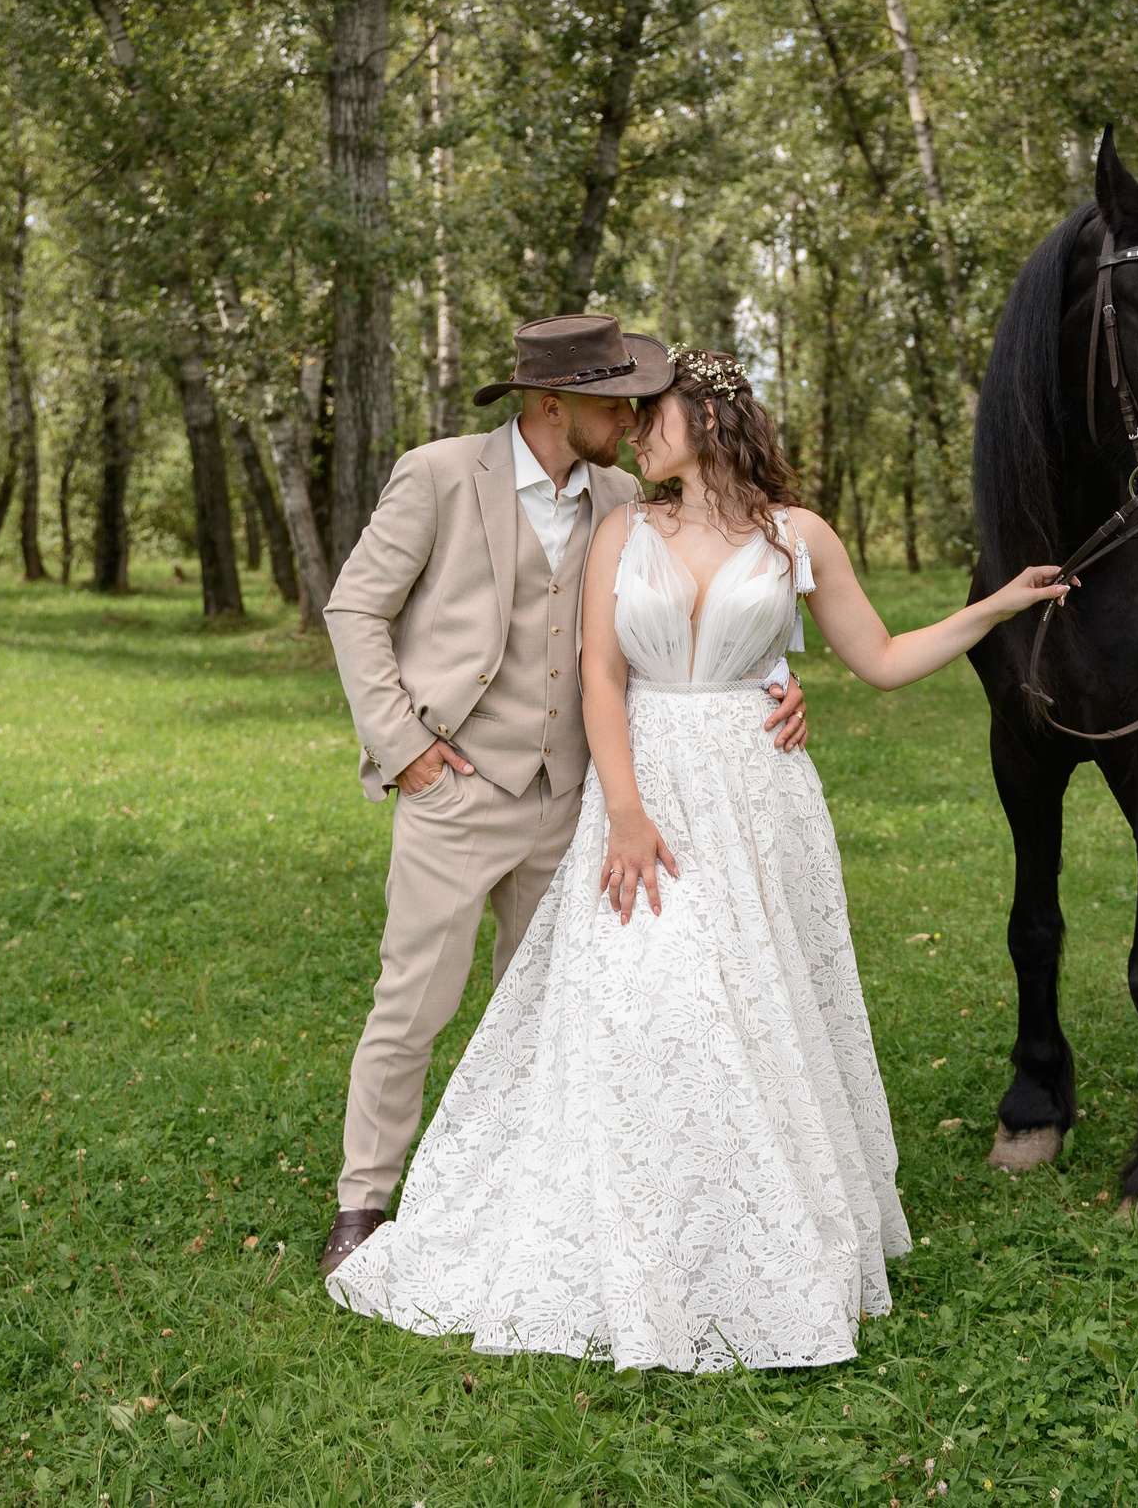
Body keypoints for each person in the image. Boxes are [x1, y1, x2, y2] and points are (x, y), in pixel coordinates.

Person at [326, 346, 1068, 1371]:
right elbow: (598, 671)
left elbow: (882, 656)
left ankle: (739, 1229)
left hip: (750, 800)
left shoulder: (789, 533)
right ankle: (419, 1206)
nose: (634, 426)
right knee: (616, 999)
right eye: (623, 412)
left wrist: (995, 607)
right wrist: (625, 811)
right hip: (626, 791)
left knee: (745, 1004)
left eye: (653, 412)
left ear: (710, 418)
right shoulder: (608, 518)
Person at [320, 315, 809, 1280]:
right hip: (458, 787)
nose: (632, 418)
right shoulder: (440, 474)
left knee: (545, 1008)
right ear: (554, 404)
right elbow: (354, 607)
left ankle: (524, 1192)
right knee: (413, 1000)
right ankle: (362, 1200)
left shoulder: (626, 498)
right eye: (615, 401)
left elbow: (705, 594)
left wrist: (780, 680)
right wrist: (405, 747)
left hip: (578, 799)